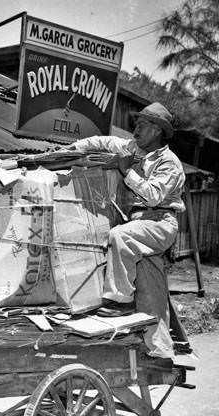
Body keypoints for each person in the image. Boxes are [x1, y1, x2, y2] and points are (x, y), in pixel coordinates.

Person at [65, 102, 185, 360]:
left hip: (161, 222)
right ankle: (161, 350)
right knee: (152, 291)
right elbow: (102, 142)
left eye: (142, 125)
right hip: (140, 222)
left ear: (157, 131)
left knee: (120, 236)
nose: (136, 129)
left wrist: (127, 171)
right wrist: (71, 149)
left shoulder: (169, 163)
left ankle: (119, 303)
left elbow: (154, 196)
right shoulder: (133, 149)